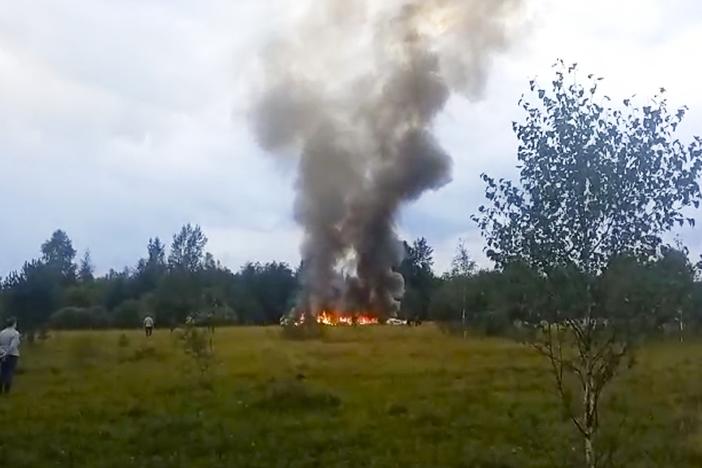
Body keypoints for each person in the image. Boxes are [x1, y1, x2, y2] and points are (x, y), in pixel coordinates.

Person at [0, 317, 21, 394]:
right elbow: (13, 346)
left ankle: (0, 390)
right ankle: (6, 391)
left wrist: (2, 353)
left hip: (1, 354)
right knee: (9, 372)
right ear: (14, 324)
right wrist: (7, 353)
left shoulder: (2, 332)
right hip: (12, 355)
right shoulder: (15, 333)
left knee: (2, 371)